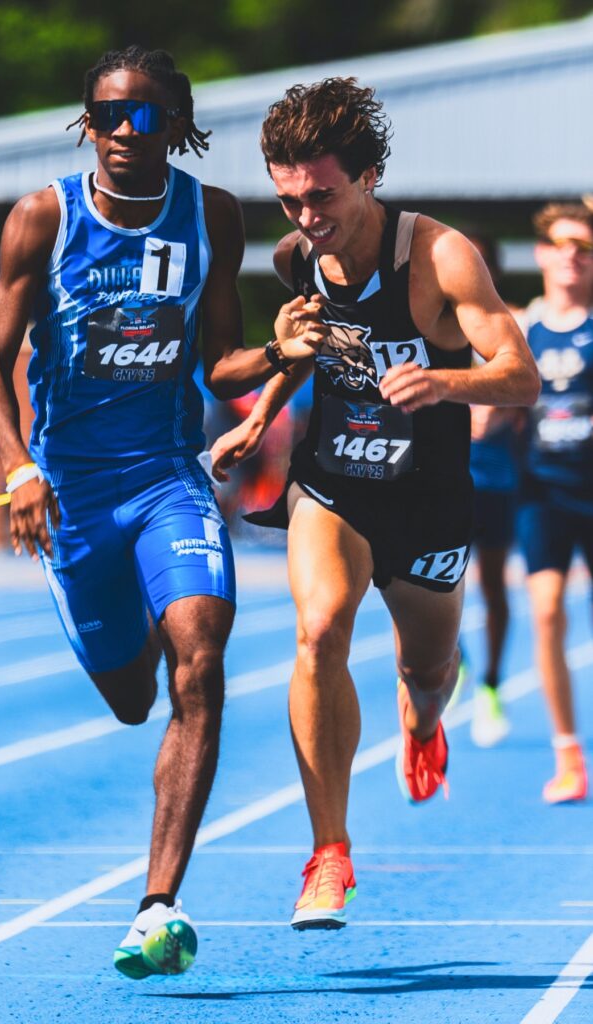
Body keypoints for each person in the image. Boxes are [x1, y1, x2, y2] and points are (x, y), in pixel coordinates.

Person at [0, 45, 326, 979]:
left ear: (179, 123)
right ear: (84, 122)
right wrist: (18, 471)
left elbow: (219, 365)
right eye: (106, 114)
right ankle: (114, 623)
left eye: (145, 116)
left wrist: (279, 351)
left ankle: (156, 905)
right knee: (133, 697)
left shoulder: (211, 216)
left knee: (198, 664)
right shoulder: (41, 218)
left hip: (167, 477)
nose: (124, 132)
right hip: (73, 491)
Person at [210, 77, 540, 931]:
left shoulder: (438, 257)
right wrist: (261, 422)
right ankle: (329, 854)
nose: (306, 218)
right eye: (288, 201)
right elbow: (308, 350)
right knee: (318, 630)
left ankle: (425, 715)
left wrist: (443, 380)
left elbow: (520, 375)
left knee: (424, 671)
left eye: (321, 196)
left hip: (428, 497)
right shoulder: (295, 259)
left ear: (366, 176)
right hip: (335, 481)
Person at [516, 201, 593, 804]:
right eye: (562, 244)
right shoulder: (521, 328)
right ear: (541, 254)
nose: (572, 255)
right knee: (545, 610)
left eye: (584, 246)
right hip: (541, 490)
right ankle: (568, 755)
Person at [465, 235, 525, 747]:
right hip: (440, 477)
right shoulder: (431, 322)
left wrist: (507, 411)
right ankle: (448, 659)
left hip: (497, 477)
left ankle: (490, 686)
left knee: (493, 589)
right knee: (426, 585)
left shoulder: (517, 323)